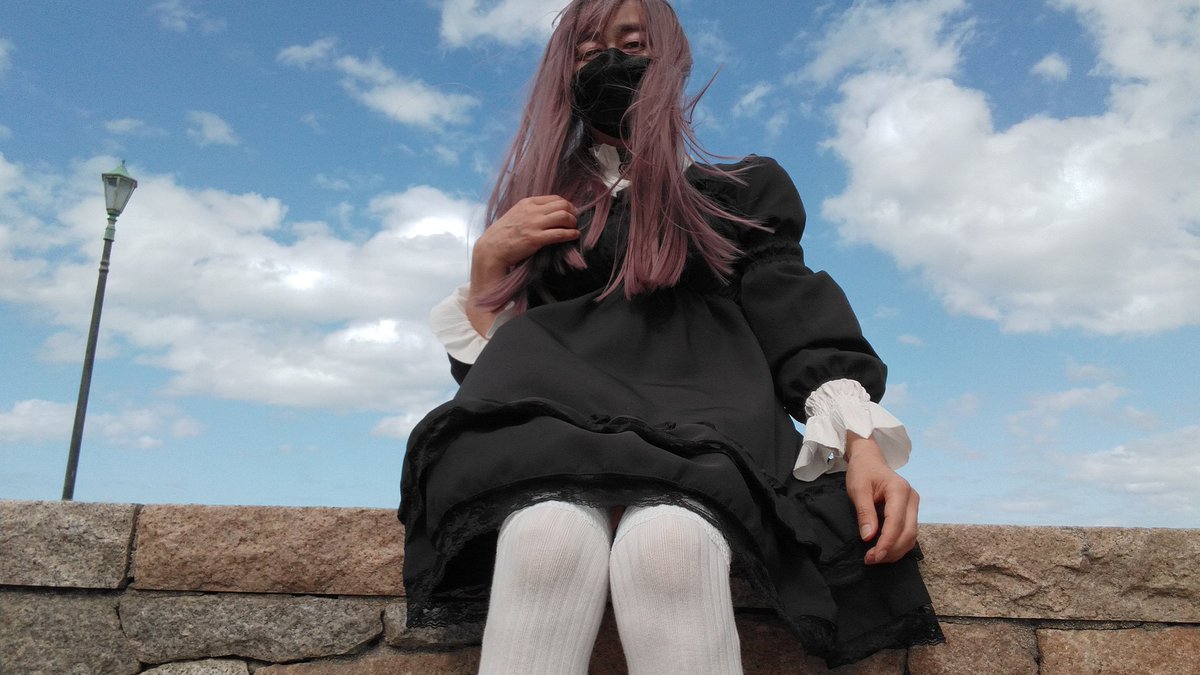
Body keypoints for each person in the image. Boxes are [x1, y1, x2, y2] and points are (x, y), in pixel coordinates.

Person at [399, 0, 943, 672]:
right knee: (545, 537)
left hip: (706, 429)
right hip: (559, 431)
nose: (610, 61)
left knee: (669, 545)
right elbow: (501, 379)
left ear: (672, 61)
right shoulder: (541, 207)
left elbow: (793, 311)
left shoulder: (736, 190)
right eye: (587, 51)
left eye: (632, 43)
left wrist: (862, 444)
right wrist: (487, 268)